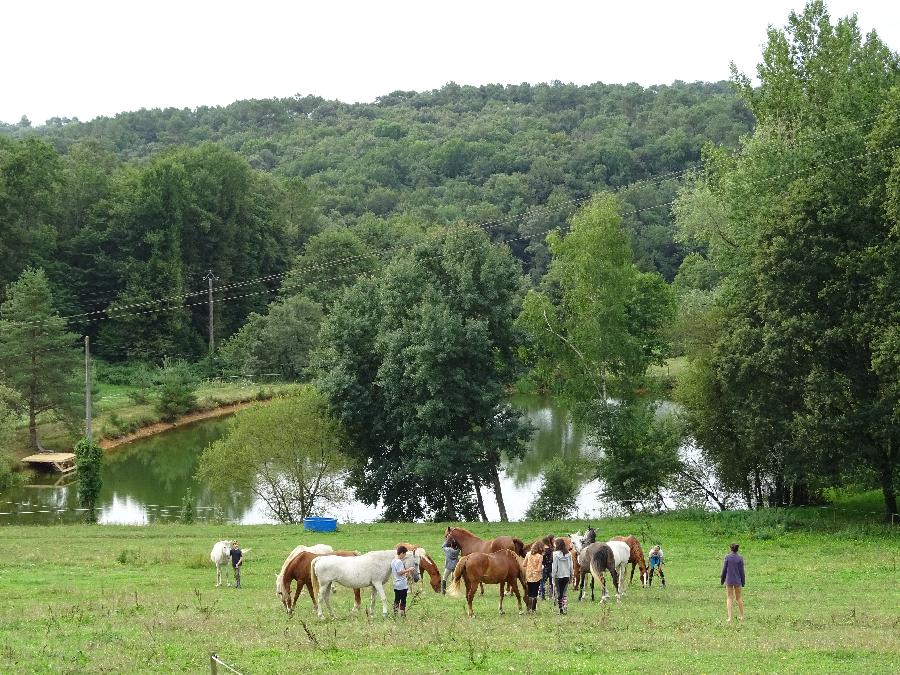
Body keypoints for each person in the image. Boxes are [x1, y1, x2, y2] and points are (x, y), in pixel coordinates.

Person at [721, 542, 745, 622]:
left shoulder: (727, 557)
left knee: (729, 597)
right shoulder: (740, 558)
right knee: (739, 598)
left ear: (730, 549)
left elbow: (724, 569)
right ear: (737, 549)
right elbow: (742, 571)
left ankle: (730, 618)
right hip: (737, 580)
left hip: (729, 580)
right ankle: (742, 616)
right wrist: (743, 581)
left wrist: (722, 579)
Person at [391, 545, 416, 616]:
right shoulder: (399, 562)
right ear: (401, 553)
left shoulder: (393, 561)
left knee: (396, 599)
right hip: (402, 584)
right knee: (403, 599)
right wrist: (409, 569)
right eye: (404, 554)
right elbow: (400, 572)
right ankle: (402, 613)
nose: (404, 556)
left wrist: (406, 573)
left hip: (396, 583)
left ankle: (395, 613)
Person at [551, 538, 572, 614]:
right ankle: (565, 606)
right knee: (564, 592)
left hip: (558, 576)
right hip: (566, 576)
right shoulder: (569, 554)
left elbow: (554, 567)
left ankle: (560, 608)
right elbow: (571, 567)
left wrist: (553, 577)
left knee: (558, 593)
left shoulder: (555, 554)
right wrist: (571, 576)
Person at [523, 542, 544, 614]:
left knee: (529, 592)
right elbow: (539, 569)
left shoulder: (528, 554)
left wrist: (530, 568)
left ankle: (528, 609)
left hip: (528, 575)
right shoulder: (540, 556)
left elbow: (524, 564)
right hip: (536, 577)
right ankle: (533, 609)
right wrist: (542, 568)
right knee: (535, 593)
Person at [540, 536, 554, 600]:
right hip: (551, 567)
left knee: (542, 582)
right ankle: (551, 595)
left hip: (543, 567)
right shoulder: (552, 549)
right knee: (551, 582)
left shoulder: (542, 550)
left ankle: (542, 596)